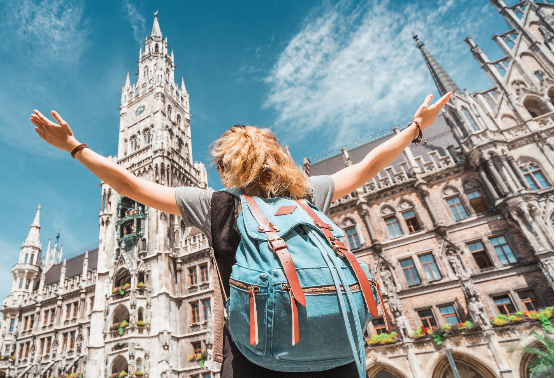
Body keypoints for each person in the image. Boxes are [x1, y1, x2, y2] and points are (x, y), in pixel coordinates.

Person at [30, 91, 452, 378]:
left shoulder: (217, 206)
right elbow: (370, 165)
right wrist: (415, 127)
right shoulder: (309, 195)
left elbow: (131, 186)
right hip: (336, 355)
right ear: (279, 161)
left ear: (225, 168)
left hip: (255, 358)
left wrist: (75, 147)